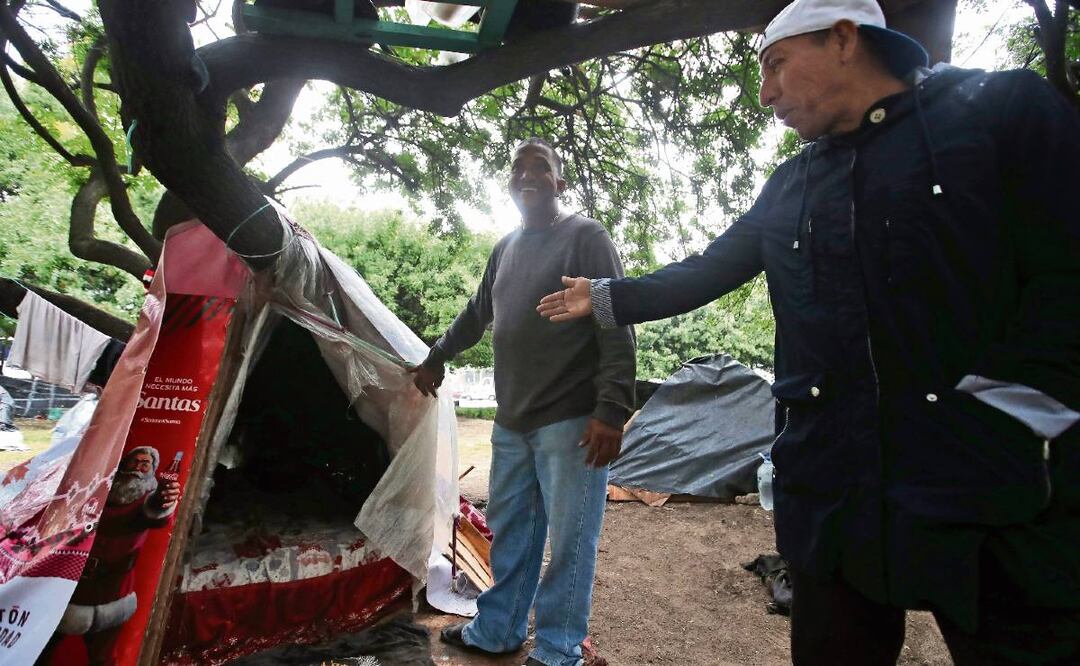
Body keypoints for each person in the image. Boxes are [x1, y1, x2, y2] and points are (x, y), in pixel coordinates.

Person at [537, 0, 1080, 663]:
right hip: (832, 485)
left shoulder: (998, 113)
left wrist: (1020, 412)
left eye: (776, 65)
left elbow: (1066, 275)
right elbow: (708, 268)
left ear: (844, 40)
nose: (765, 94)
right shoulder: (792, 184)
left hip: (981, 478)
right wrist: (604, 297)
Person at [411, 137, 635, 666]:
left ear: (560, 182)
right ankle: (498, 630)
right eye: (519, 168)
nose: (527, 175)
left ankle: (558, 649)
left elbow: (616, 319)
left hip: (572, 420)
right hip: (511, 422)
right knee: (511, 533)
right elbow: (477, 312)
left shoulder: (586, 236)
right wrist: (436, 355)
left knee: (571, 540)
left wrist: (612, 410)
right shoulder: (505, 248)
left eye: (541, 166)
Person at [56, 446, 180, 665]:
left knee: (103, 658)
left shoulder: (146, 500)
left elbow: (155, 510)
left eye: (145, 463)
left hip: (113, 591)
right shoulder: (99, 490)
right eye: (134, 461)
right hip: (71, 586)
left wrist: (164, 498)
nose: (138, 468)